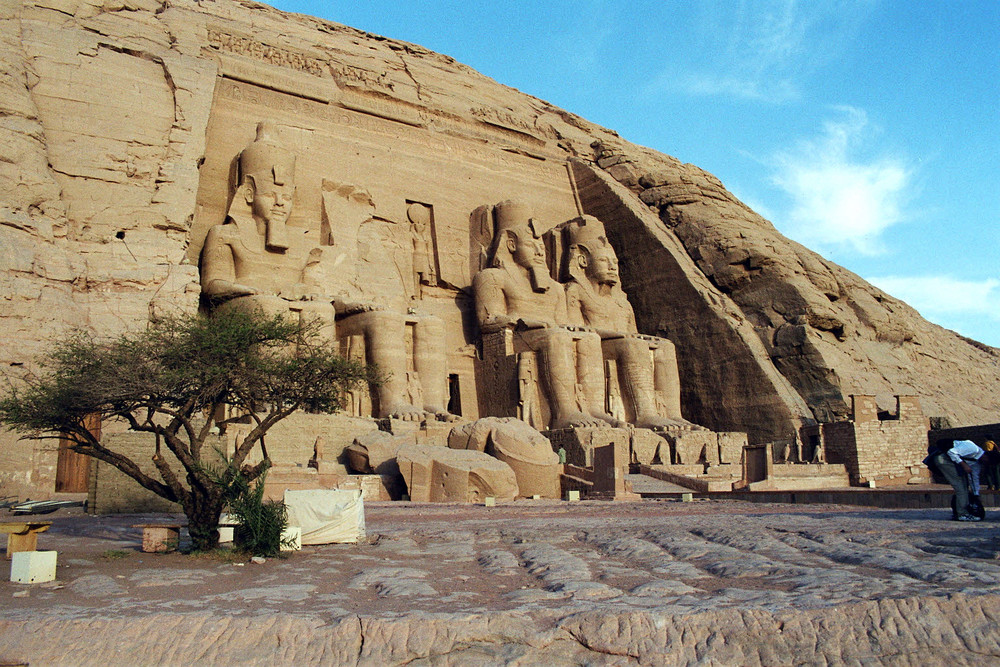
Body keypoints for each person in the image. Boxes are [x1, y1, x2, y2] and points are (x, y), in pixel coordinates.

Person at [933, 438, 985, 521]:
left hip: (947, 460)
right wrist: (964, 465)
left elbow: (974, 478)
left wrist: (976, 494)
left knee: (964, 487)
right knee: (960, 488)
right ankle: (962, 514)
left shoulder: (977, 462)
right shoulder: (972, 448)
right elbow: (951, 452)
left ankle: (958, 512)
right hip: (943, 460)